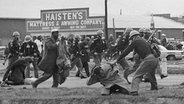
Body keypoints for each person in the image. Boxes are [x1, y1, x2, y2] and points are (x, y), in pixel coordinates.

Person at [111, 30, 159, 96]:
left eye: (131, 38)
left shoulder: (135, 41)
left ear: (133, 37)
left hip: (148, 59)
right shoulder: (144, 41)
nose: (131, 40)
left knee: (137, 75)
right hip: (155, 59)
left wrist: (117, 59)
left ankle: (134, 91)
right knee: (150, 74)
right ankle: (154, 87)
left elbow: (126, 51)